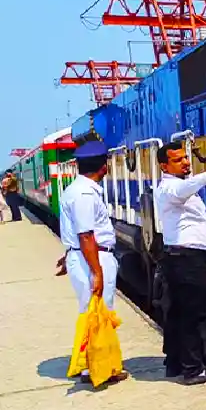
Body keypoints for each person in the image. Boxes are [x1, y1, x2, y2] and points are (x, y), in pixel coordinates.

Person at [154, 141, 206, 385]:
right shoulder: (170, 188)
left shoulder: (176, 186)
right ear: (164, 166)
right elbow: (182, 191)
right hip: (186, 260)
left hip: (183, 258)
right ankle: (193, 370)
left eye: (186, 158)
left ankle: (175, 363)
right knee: (193, 314)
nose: (186, 162)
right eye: (178, 160)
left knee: (178, 312)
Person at [55, 140, 128, 384]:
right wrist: (96, 272)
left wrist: (70, 255)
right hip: (93, 258)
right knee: (97, 312)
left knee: (95, 310)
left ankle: (97, 364)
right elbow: (86, 234)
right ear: (103, 166)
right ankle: (95, 369)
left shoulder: (78, 190)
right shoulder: (85, 194)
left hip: (86, 256)